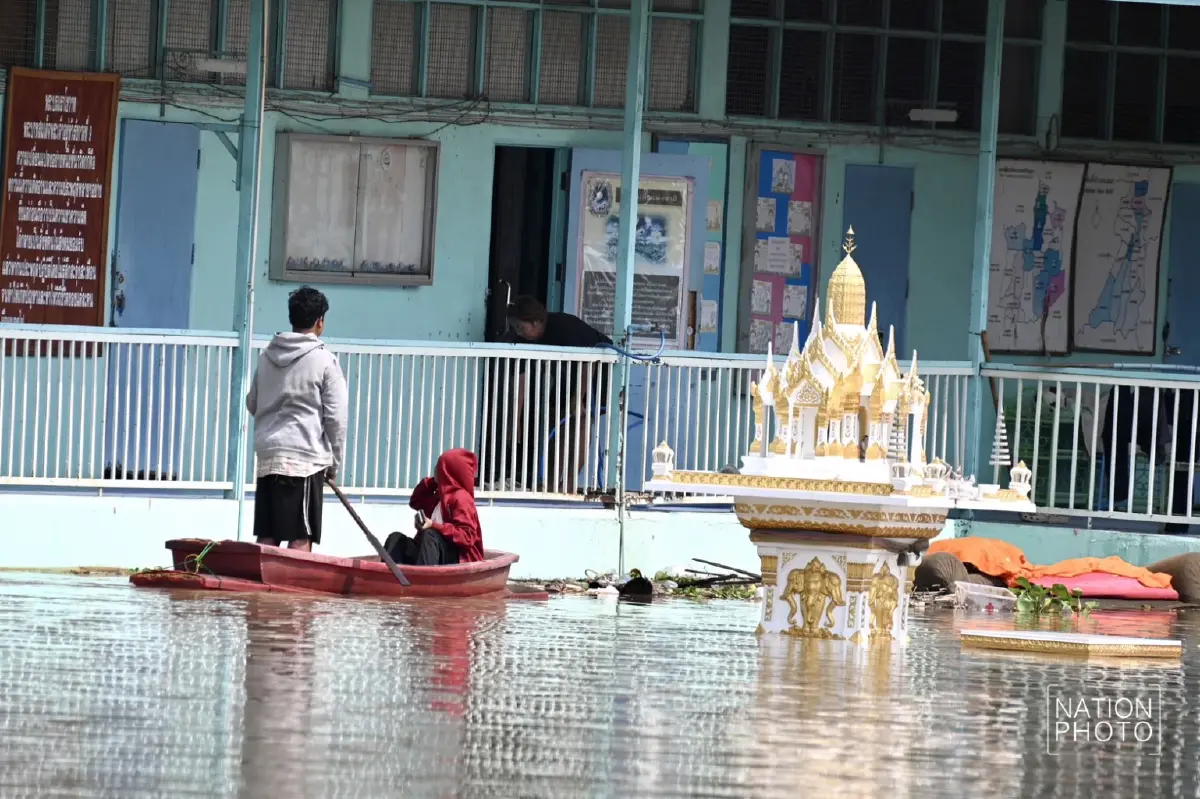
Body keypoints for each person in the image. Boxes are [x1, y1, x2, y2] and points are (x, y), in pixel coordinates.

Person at [246, 286, 348, 552]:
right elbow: (336, 419)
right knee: (301, 536)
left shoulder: (266, 357)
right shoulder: (325, 361)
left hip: (269, 458)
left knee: (268, 534)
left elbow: (252, 403)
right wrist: (334, 463)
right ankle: (292, 595)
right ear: (319, 322)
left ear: (292, 318)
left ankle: (262, 591)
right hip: (304, 460)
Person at [505, 296, 612, 491]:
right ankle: (551, 480)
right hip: (569, 375)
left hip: (598, 371)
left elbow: (588, 362)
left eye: (521, 327)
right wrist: (516, 417)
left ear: (537, 321)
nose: (518, 332)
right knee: (558, 423)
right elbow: (521, 377)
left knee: (580, 420)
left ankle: (570, 482)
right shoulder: (524, 339)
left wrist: (578, 399)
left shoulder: (564, 326)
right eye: (515, 328)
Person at [385, 448, 484, 566]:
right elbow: (415, 501)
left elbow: (467, 537)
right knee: (396, 539)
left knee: (429, 535)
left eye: (440, 467)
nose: (436, 469)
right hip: (432, 553)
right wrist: (434, 481)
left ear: (449, 471)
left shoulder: (461, 498)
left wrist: (434, 525)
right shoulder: (439, 496)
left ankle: (425, 581)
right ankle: (388, 578)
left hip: (458, 558)